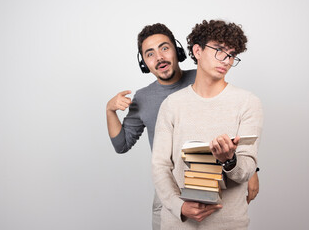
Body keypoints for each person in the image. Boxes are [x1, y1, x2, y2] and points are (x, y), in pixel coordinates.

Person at [106, 23, 259, 230]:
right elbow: (124, 146)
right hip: (172, 185)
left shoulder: (204, 75)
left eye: (164, 48)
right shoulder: (146, 99)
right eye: (150, 53)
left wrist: (248, 170)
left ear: (178, 51)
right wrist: (110, 110)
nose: (159, 57)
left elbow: (240, 138)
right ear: (144, 62)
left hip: (224, 197)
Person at [152, 19, 263, 229]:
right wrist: (179, 207)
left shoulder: (248, 103)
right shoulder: (171, 105)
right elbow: (160, 166)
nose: (227, 60)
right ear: (197, 50)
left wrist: (230, 160)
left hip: (228, 223)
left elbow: (247, 168)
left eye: (231, 54)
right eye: (219, 50)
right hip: (177, 223)